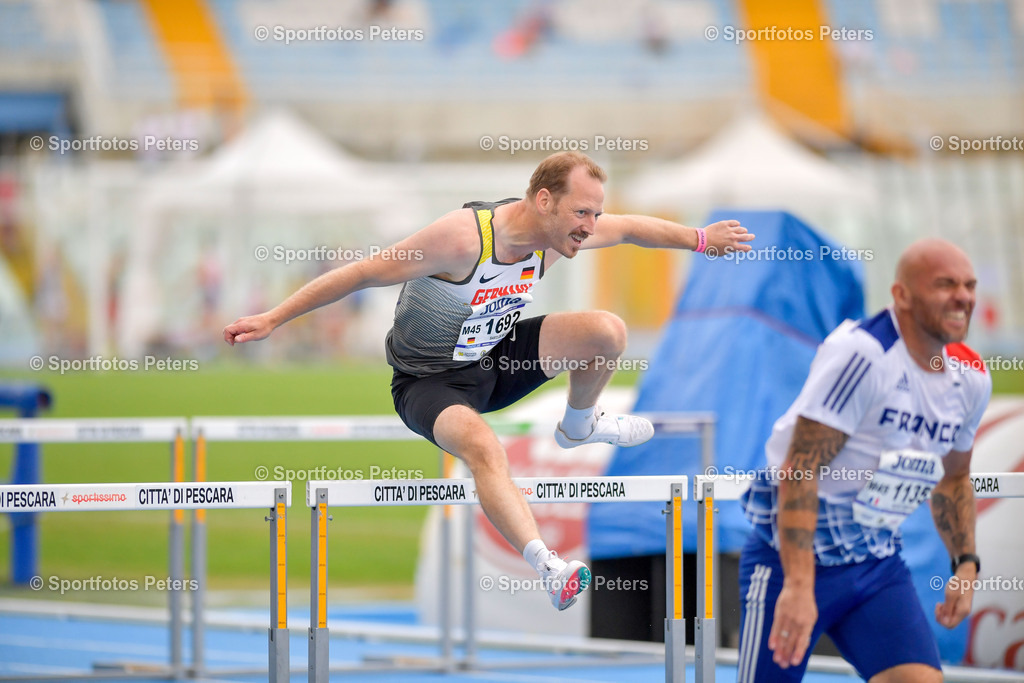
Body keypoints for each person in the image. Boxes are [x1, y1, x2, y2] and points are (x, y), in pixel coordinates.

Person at [224, 151, 754, 610]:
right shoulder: (461, 240)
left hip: (496, 362)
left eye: (595, 213)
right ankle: (549, 567)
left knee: (606, 332)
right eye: (581, 213)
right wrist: (273, 318)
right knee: (483, 447)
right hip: (430, 383)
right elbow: (363, 273)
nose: (591, 226)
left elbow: (633, 228)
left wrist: (700, 239)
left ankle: (579, 424)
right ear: (544, 201)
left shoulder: (558, 237)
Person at [737, 238, 991, 681]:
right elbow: (800, 470)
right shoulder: (863, 354)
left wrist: (965, 564)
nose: (963, 297)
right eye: (945, 285)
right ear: (901, 295)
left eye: (969, 286)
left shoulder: (971, 378)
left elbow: (954, 480)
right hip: (790, 562)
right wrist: (798, 585)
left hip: (875, 563)